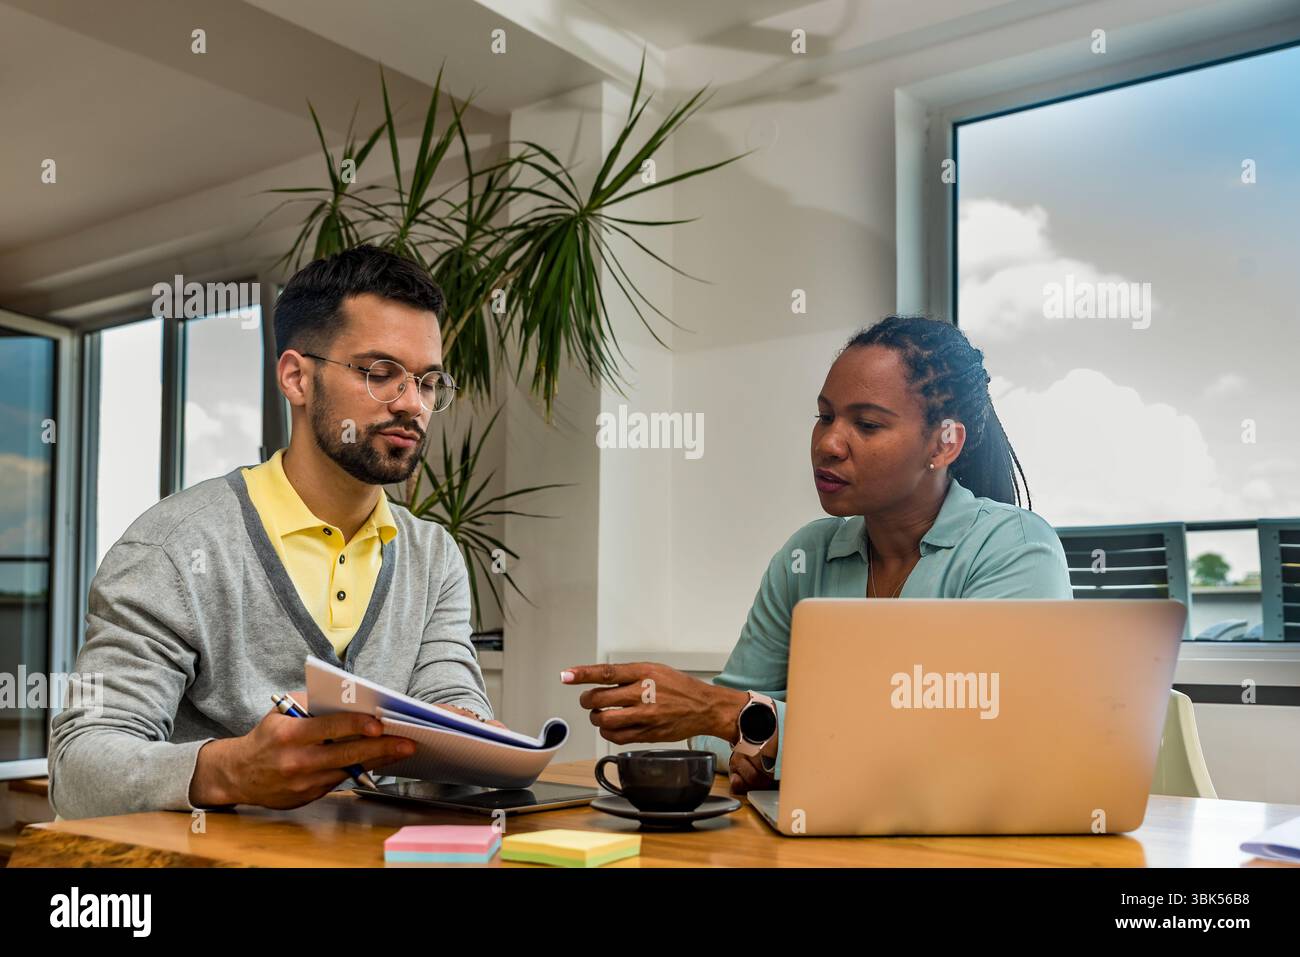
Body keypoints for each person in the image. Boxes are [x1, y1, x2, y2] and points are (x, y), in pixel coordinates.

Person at [49, 245, 503, 820]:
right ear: (296, 377)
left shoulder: (433, 555)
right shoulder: (174, 548)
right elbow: (78, 769)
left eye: (428, 381)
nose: (413, 404)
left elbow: (453, 703)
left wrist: (471, 737)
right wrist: (231, 770)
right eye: (381, 374)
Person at [563, 315, 1072, 794]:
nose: (829, 443)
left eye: (867, 425)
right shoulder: (807, 554)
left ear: (943, 445)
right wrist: (766, 734)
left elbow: (964, 746)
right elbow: (711, 738)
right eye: (824, 416)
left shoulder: (1016, 550)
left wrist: (752, 724)